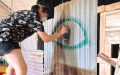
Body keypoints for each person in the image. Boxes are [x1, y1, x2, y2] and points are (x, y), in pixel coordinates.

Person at [0, 3, 68, 75]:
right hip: (5, 38)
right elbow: (46, 38)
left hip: (8, 39)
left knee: (12, 67)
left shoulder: (29, 15)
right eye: (45, 16)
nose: (44, 19)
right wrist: (60, 33)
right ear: (41, 11)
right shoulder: (34, 18)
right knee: (22, 68)